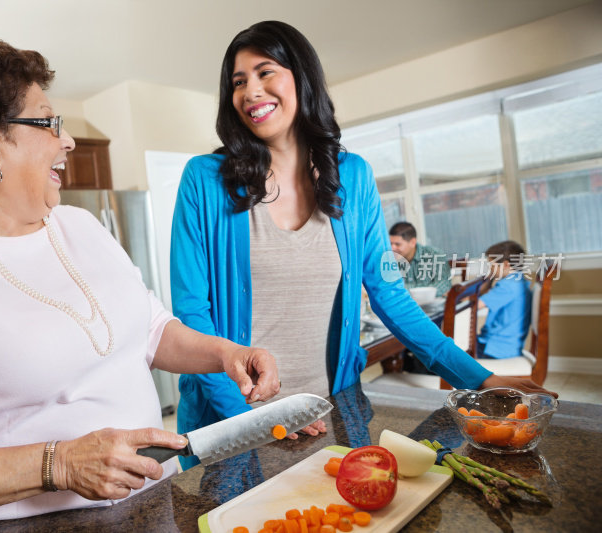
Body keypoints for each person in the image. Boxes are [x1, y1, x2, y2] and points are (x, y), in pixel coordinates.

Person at [0, 37, 280, 525]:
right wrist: (61, 464)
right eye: (48, 122)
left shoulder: (80, 227)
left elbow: (150, 329)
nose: (67, 140)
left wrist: (224, 354)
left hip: (153, 504)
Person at [169, 20, 557, 468]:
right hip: (232, 423)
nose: (250, 90)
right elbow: (194, 317)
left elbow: (389, 292)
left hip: (329, 412)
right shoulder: (204, 181)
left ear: (302, 77)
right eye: (238, 81)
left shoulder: (352, 177)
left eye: (265, 71)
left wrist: (479, 379)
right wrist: (256, 423)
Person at [477, 240, 532, 358]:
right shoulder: (519, 281)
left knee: (447, 352)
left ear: (506, 265)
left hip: (495, 348)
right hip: (508, 346)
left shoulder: (508, 286)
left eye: (492, 265)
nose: (490, 269)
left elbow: (476, 305)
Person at [388, 221, 452, 298]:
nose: (392, 248)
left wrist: (406, 291)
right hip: (405, 307)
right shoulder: (390, 261)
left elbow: (443, 285)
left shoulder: (434, 255)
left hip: (434, 307)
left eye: (397, 244)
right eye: (390, 244)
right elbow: (388, 288)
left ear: (412, 242)